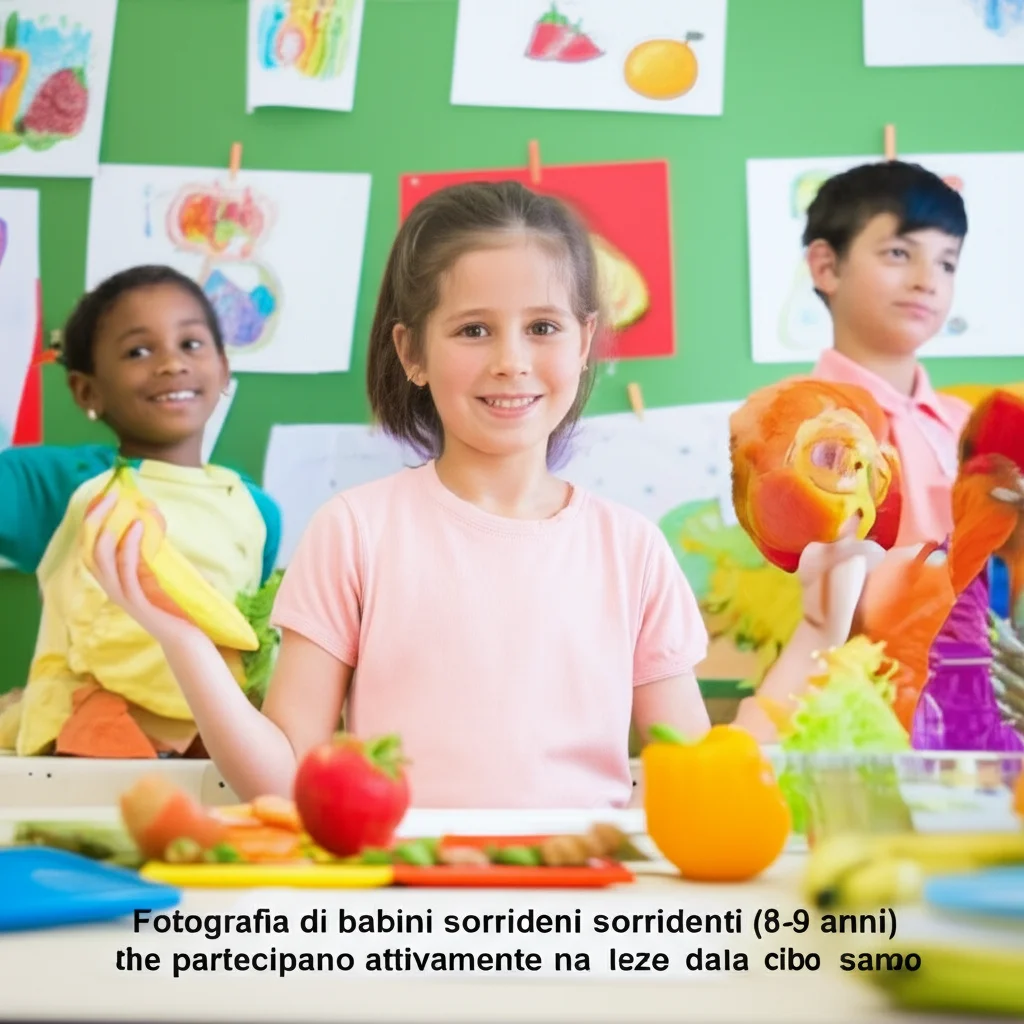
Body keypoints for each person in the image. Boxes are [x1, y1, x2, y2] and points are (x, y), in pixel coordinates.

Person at [84, 181, 712, 808]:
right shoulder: (356, 530)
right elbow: (282, 784)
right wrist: (183, 639)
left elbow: (694, 785)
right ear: (412, 352)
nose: (511, 360)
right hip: (404, 892)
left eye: (543, 326)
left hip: (582, 893)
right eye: (473, 330)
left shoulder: (632, 549)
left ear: (582, 342)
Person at [733, 160, 973, 739]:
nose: (927, 279)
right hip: (859, 714)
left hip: (983, 706)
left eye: (947, 262)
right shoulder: (791, 422)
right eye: (899, 254)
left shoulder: (970, 422)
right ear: (825, 265)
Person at [0, 265, 281, 757]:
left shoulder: (256, 510)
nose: (171, 363)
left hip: (212, 752)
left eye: (191, 344)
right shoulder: (74, 490)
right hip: (82, 755)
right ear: (87, 391)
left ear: (223, 367)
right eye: (138, 351)